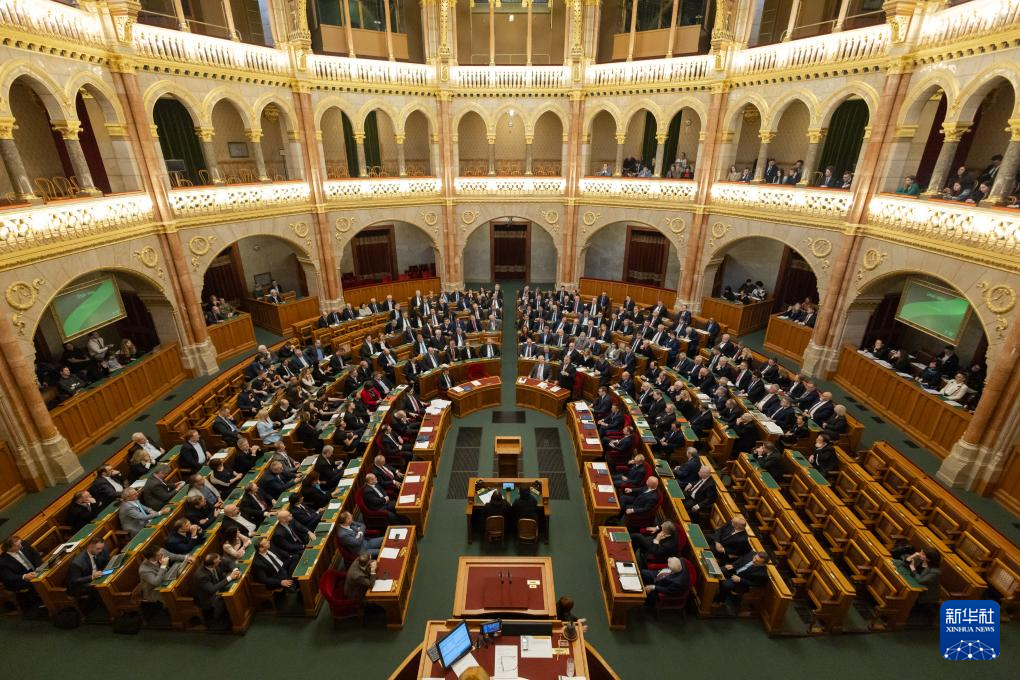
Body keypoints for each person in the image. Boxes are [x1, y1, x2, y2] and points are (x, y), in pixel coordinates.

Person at [193, 553, 240, 629]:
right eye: (219, 561)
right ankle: (230, 620)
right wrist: (230, 578)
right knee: (229, 600)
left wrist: (235, 570)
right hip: (207, 598)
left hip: (218, 587)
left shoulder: (214, 560)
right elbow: (212, 589)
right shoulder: (201, 576)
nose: (221, 561)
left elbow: (229, 562)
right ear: (214, 564)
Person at [138, 545, 191, 613]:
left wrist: (186, 557)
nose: (163, 554)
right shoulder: (144, 570)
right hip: (154, 590)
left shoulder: (160, 551)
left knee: (181, 582)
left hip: (166, 578)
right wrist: (163, 566)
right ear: (152, 558)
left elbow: (173, 556)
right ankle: (178, 614)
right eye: (160, 554)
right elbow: (156, 582)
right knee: (171, 596)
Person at [0, 535, 42, 611]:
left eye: (20, 543)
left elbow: (36, 555)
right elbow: (8, 577)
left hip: (35, 570)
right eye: (18, 545)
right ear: (10, 548)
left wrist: (38, 567)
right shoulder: (3, 561)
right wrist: (24, 576)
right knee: (36, 583)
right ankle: (41, 601)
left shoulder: (24, 544)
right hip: (19, 579)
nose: (21, 546)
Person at [67, 537, 110, 609]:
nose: (100, 551)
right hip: (82, 585)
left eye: (101, 548)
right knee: (98, 588)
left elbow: (106, 561)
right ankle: (108, 608)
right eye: (98, 549)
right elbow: (75, 580)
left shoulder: (101, 551)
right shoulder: (77, 563)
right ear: (90, 547)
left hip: (97, 575)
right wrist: (92, 577)